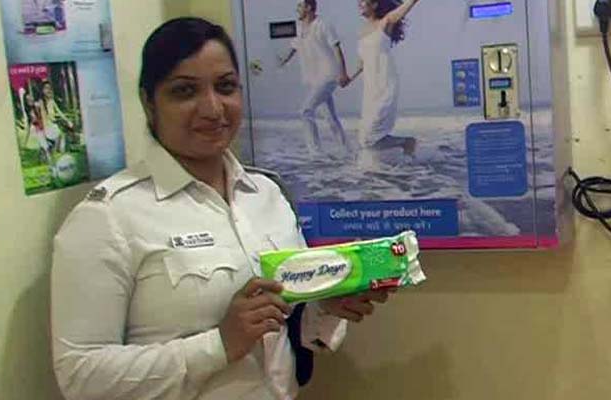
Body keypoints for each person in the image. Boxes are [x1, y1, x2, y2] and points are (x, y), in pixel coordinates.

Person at [51, 17, 390, 400]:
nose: (213, 108)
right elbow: (79, 375)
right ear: (149, 102)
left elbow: (288, 329)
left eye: (225, 87)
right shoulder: (108, 216)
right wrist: (219, 345)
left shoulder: (267, 194)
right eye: (185, 91)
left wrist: (326, 305)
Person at [348, 0, 420, 163]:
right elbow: (362, 63)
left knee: (369, 136)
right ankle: (403, 145)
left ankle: (405, 145)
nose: (359, 4)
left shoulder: (385, 22)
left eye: (363, 1)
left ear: (374, 5)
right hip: (370, 88)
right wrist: (349, 79)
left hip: (385, 84)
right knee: (365, 139)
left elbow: (403, 9)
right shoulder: (362, 31)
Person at [279, 0, 351, 154]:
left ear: (309, 7)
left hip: (328, 75)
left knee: (306, 110)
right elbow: (294, 47)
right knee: (330, 117)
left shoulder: (323, 25)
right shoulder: (300, 27)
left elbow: (337, 49)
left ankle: (315, 152)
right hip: (314, 78)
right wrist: (283, 60)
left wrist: (343, 73)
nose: (297, 9)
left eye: (300, 6)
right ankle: (347, 151)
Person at [40, 80, 73, 154]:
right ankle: (52, 147)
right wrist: (52, 122)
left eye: (49, 88)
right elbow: (44, 117)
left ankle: (54, 147)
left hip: (53, 125)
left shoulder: (51, 101)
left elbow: (59, 112)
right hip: (47, 127)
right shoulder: (41, 102)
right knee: (60, 132)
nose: (48, 90)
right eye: (46, 88)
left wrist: (67, 120)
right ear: (42, 90)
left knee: (63, 135)